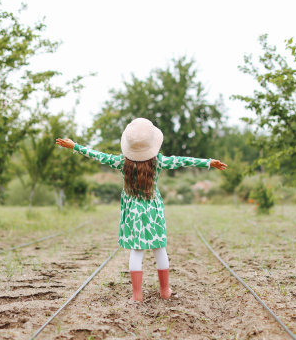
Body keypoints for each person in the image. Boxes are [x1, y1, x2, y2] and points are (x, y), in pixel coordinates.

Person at [56, 117, 227, 302]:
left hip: (133, 213)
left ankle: (137, 295)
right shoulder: (158, 162)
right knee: (160, 249)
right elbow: (182, 161)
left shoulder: (122, 162)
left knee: (136, 252)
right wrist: (208, 162)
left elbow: (98, 155)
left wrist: (75, 146)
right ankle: (165, 291)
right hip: (153, 210)